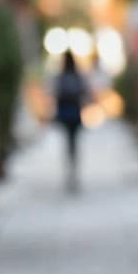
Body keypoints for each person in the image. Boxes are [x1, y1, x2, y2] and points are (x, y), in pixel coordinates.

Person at [52, 50, 89, 190]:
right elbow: (84, 91)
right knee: (73, 142)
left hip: (65, 113)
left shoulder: (61, 76)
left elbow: (55, 92)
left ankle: (71, 169)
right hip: (74, 113)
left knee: (69, 142)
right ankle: (73, 169)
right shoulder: (77, 76)